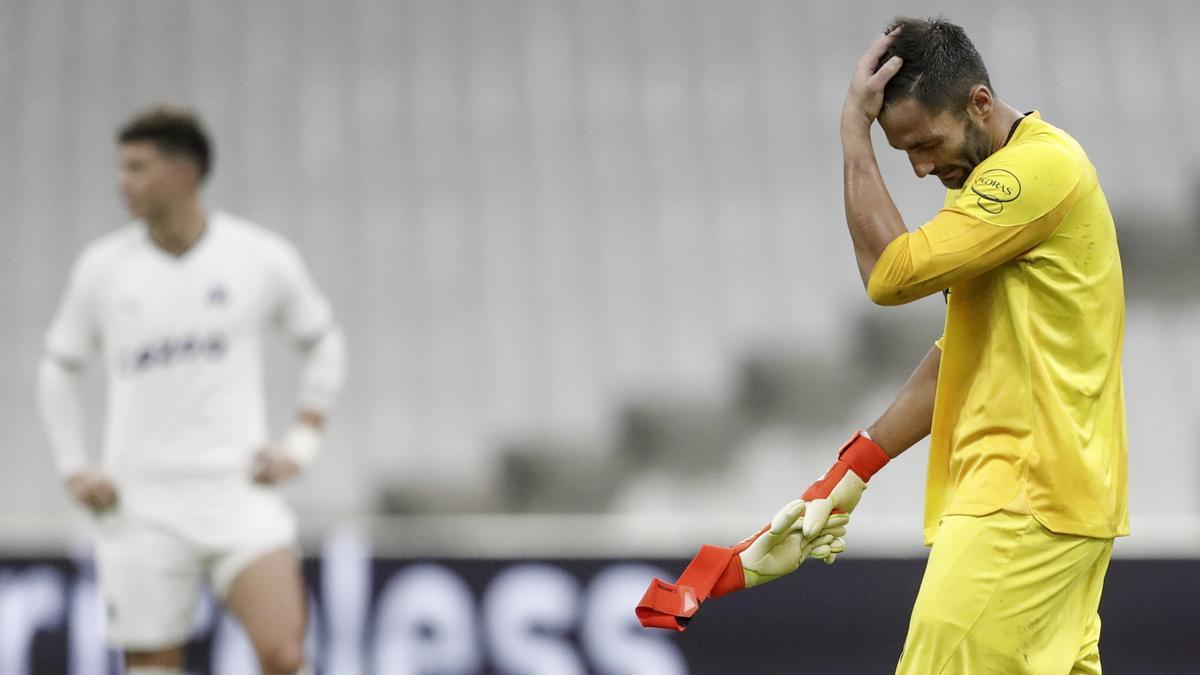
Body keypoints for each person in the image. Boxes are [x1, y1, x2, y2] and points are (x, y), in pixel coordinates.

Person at [640, 17, 1127, 674]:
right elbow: (961, 357)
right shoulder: (1011, 197)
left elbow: (891, 275)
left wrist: (854, 133)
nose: (922, 167)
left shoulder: (1034, 171)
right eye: (906, 155)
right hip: (1059, 509)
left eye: (927, 142)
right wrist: (845, 475)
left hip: (1022, 503)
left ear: (980, 103)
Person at [36, 105, 347, 675]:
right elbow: (58, 368)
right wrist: (74, 465)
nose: (120, 183)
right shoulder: (103, 269)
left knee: (285, 655)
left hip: (238, 493)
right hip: (142, 506)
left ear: (183, 173)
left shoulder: (258, 258)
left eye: (137, 168)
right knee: (154, 665)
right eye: (122, 167)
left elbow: (324, 343)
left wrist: (301, 443)